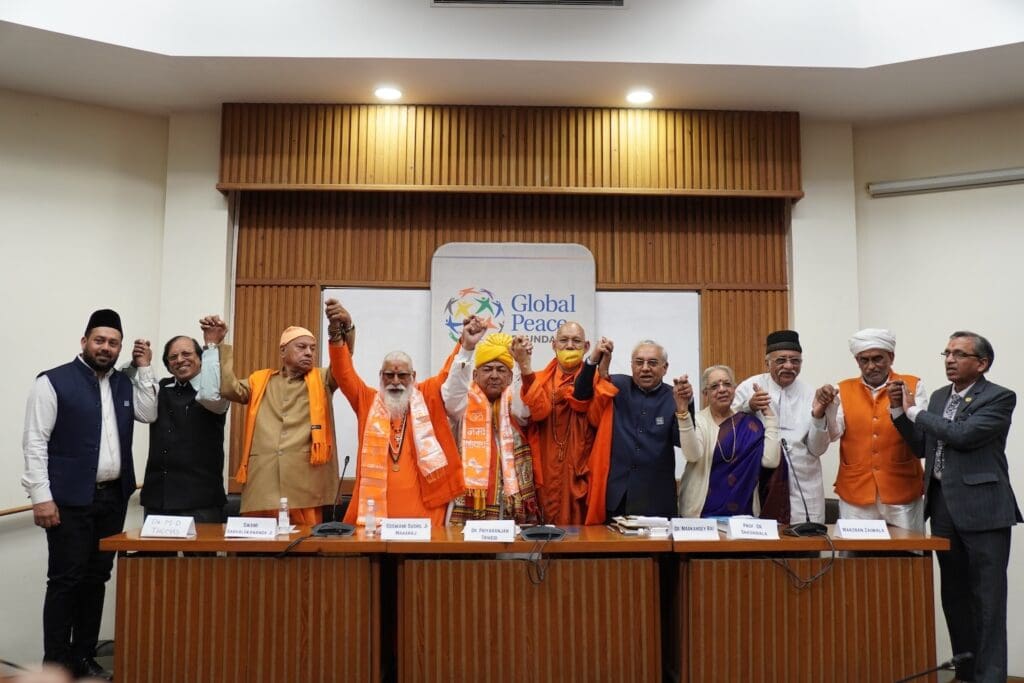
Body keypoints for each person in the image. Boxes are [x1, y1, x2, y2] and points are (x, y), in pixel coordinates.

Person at [21, 309, 158, 680]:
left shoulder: (124, 384)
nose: (106, 347)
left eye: (114, 343)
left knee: (96, 579)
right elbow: (35, 443)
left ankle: (83, 656)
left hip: (112, 498)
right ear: (84, 342)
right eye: (99, 340)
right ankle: (56, 665)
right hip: (67, 501)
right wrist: (40, 497)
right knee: (65, 581)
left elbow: (149, 412)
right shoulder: (52, 382)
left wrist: (144, 368)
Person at [891, 331, 1019, 683]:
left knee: (988, 600)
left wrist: (914, 411)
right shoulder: (936, 397)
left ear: (982, 363)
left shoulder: (999, 397)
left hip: (985, 509)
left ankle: (990, 676)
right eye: (946, 353)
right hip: (943, 505)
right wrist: (898, 412)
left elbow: (963, 435)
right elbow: (923, 445)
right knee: (954, 595)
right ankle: (964, 672)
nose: (949, 359)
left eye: (959, 354)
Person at [198, 312, 349, 525]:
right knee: (258, 552)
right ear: (283, 351)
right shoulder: (260, 380)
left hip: (305, 485)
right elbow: (228, 388)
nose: (309, 353)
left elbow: (344, 368)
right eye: (302, 347)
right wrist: (216, 345)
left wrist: (340, 332)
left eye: (312, 349)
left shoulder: (323, 379)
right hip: (264, 484)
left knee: (303, 550)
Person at [326, 298, 464, 527]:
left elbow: (449, 373)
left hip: (422, 518)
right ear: (381, 376)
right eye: (389, 375)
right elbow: (344, 373)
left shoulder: (428, 396)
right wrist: (337, 334)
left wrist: (465, 344)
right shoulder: (368, 401)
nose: (396, 382)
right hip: (375, 517)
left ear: (414, 376)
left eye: (402, 376)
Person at [807, 328, 927, 531]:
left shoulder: (912, 384)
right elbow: (832, 435)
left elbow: (920, 433)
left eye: (877, 359)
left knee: (909, 556)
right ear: (857, 361)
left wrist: (904, 405)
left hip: (902, 490)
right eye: (864, 360)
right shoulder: (843, 389)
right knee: (856, 559)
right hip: (856, 493)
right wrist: (822, 411)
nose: (871, 366)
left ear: (891, 357)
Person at [518, 321, 617, 525]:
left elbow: (596, 418)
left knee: (580, 536)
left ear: (587, 347)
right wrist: (524, 366)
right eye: (563, 340)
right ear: (553, 345)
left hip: (580, 467)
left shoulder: (599, 380)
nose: (570, 345)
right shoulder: (538, 380)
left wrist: (603, 371)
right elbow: (539, 412)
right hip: (546, 466)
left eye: (576, 341)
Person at [574, 338, 683, 521]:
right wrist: (593, 360)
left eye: (652, 363)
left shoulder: (676, 397)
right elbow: (581, 394)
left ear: (665, 368)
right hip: (616, 498)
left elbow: (681, 442)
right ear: (631, 366)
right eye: (639, 362)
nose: (645, 368)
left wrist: (683, 409)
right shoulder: (616, 386)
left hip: (656, 501)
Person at [442, 330, 541, 524]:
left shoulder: (515, 404)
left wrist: (523, 362)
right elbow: (451, 395)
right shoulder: (462, 404)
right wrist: (467, 348)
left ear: (511, 377)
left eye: (501, 369)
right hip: (469, 498)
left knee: (512, 553)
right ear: (475, 374)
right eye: (487, 369)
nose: (494, 375)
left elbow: (527, 407)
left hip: (510, 499)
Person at [733, 330, 827, 524]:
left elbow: (818, 448)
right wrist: (748, 407)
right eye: (781, 360)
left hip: (803, 483)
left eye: (795, 361)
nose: (789, 366)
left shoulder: (811, 394)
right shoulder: (749, 387)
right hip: (760, 478)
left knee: (805, 545)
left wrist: (818, 416)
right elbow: (727, 430)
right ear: (767, 363)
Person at [137, 335, 229, 522]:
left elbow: (211, 397)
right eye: (173, 357)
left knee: (200, 552)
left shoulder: (212, 390)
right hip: (158, 498)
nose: (180, 360)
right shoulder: (161, 387)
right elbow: (144, 413)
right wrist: (143, 364)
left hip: (200, 500)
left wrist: (212, 346)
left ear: (200, 358)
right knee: (152, 552)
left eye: (187, 354)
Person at [677, 366, 780, 517]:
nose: (722, 389)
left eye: (727, 384)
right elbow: (692, 455)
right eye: (714, 386)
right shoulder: (697, 420)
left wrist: (770, 418)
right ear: (705, 393)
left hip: (743, 515)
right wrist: (683, 413)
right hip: (700, 512)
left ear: (734, 388)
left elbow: (770, 461)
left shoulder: (749, 424)